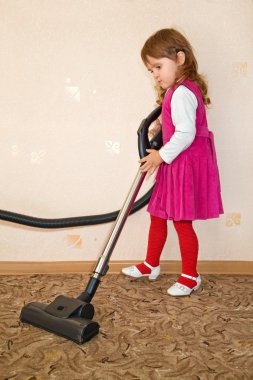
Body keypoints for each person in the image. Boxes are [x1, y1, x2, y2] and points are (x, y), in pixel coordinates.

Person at [122, 28, 224, 296]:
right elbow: (177, 124)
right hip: (176, 163)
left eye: (158, 66)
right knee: (157, 214)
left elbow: (186, 132)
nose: (155, 74)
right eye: (150, 70)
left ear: (179, 59)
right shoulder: (177, 92)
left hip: (184, 165)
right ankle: (151, 265)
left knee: (181, 221)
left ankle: (191, 276)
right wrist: (158, 126)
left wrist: (160, 155)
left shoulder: (181, 93)